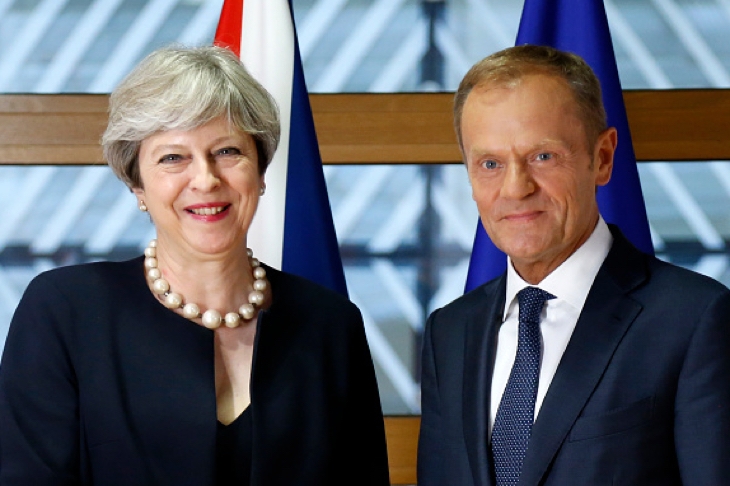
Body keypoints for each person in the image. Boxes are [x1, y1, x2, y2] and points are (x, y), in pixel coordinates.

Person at [0, 45, 390, 486]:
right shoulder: (64, 311)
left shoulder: (331, 325)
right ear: (137, 185)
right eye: (173, 157)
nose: (205, 179)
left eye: (227, 151)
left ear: (260, 172)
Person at [418, 44, 730, 486]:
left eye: (542, 156)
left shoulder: (695, 319)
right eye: (490, 163)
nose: (516, 188)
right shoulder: (449, 332)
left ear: (601, 158)